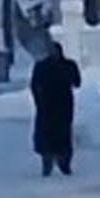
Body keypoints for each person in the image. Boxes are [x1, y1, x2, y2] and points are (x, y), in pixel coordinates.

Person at [29, 41, 82, 177]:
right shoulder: (42, 66)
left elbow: (77, 82)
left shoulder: (67, 65)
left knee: (61, 134)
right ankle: (49, 162)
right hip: (48, 105)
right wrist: (38, 100)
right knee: (50, 135)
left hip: (61, 105)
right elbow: (34, 86)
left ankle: (63, 163)